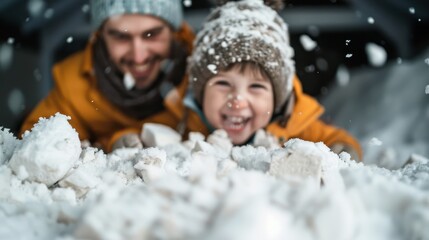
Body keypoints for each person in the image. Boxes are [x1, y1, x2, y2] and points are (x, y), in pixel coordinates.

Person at [179, 0, 362, 160]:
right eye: (223, 83)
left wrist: (339, 151)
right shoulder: (182, 120)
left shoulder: (295, 126)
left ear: (277, 99)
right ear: (200, 91)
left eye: (256, 86)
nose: (237, 100)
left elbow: (339, 140)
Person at [19, 0, 194, 152]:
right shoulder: (73, 81)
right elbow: (35, 145)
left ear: (174, 31)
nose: (138, 56)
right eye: (121, 37)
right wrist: (108, 145)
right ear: (101, 35)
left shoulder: (207, 71)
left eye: (151, 35)